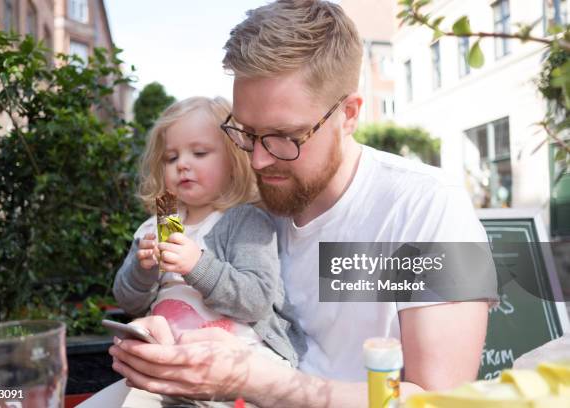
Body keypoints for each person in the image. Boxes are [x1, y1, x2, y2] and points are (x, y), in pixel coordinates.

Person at [106, 1, 494, 407]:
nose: (258, 160)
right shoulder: (245, 206)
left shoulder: (427, 207)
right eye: (246, 133)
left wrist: (252, 380)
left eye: (284, 137)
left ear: (348, 114)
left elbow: (441, 399)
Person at [86, 97, 305, 407]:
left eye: (199, 153)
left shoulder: (244, 220)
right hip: (169, 370)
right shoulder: (163, 220)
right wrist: (143, 269)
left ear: (233, 160)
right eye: (170, 157)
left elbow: (256, 300)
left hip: (237, 369)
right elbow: (129, 300)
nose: (182, 164)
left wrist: (196, 265)